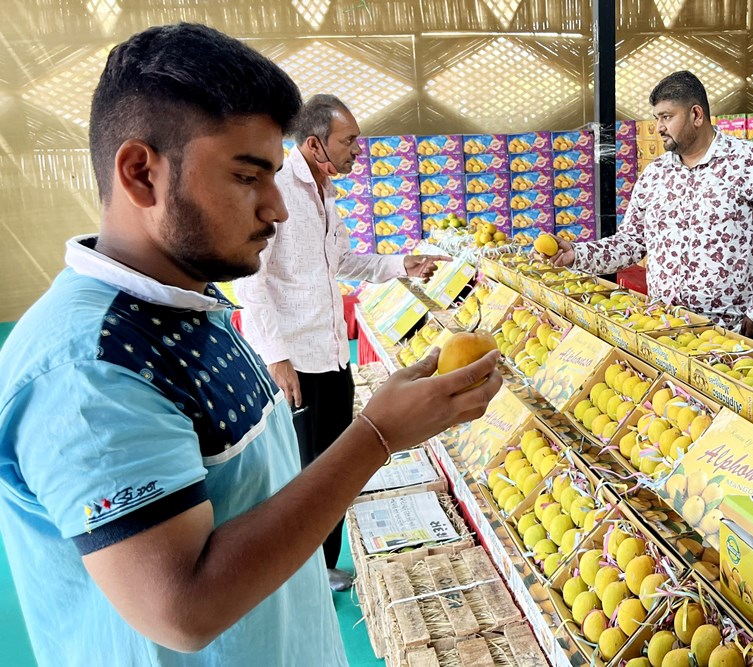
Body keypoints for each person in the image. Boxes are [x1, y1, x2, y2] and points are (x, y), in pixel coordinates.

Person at [0, 23, 500, 666]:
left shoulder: (182, 304)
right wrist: (376, 437)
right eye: (247, 176)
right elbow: (184, 607)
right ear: (141, 173)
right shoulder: (87, 371)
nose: (277, 207)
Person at [234, 95, 446, 592]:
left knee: (332, 468)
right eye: (349, 140)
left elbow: (345, 261)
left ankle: (323, 568)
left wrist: (402, 264)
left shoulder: (326, 195)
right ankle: (300, 576)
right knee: (306, 474)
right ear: (314, 143)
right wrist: (276, 357)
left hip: (332, 354)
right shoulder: (279, 193)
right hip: (298, 360)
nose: (358, 150)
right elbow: (252, 284)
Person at [541, 71, 753, 342]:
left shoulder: (750, 163)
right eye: (657, 118)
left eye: (667, 117)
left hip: (730, 336)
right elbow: (631, 242)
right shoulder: (656, 174)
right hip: (664, 331)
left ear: (696, 115)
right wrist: (577, 255)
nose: (659, 127)